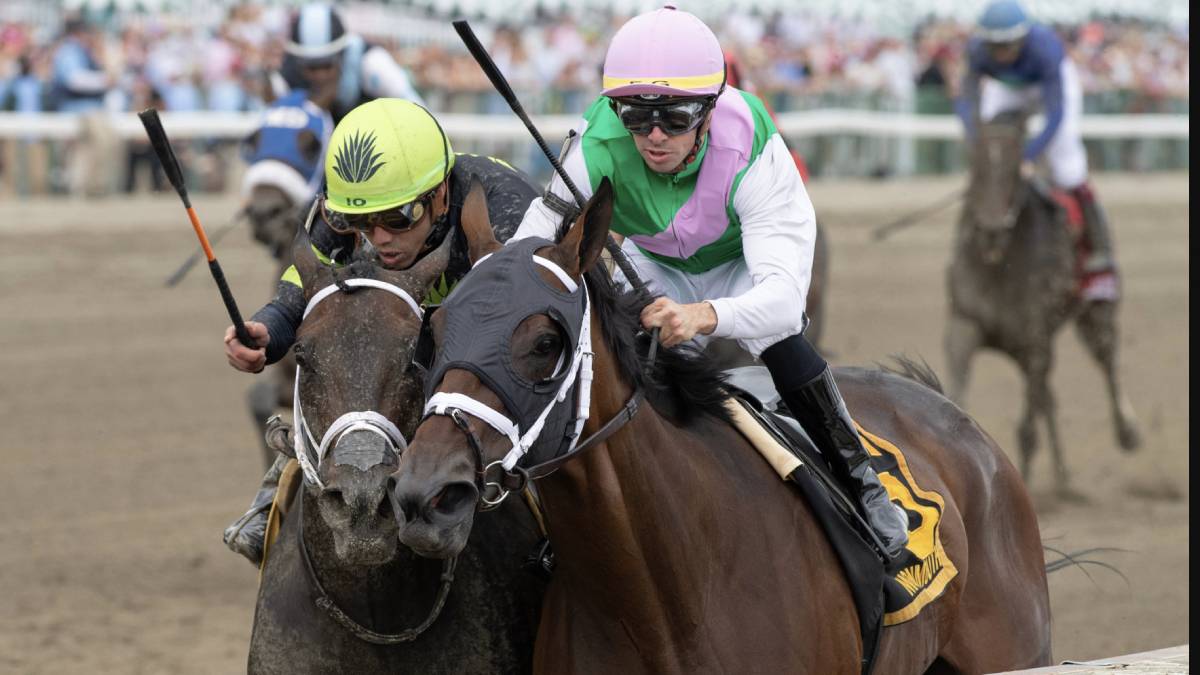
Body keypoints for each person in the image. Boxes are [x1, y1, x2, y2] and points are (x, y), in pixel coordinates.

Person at [511, 6, 908, 559]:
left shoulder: (750, 143)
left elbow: (782, 304)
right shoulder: (594, 144)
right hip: (658, 261)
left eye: (674, 118)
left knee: (778, 340)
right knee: (626, 361)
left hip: (745, 258)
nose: (652, 136)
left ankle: (861, 481)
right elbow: (527, 247)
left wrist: (703, 315)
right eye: (634, 115)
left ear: (708, 109)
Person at [221, 98, 540, 564]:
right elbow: (302, 283)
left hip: (504, 351)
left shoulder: (506, 210)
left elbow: (528, 335)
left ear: (440, 196)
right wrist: (268, 330)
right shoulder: (345, 205)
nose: (378, 238)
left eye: (397, 219)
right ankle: (280, 485)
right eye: (360, 223)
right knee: (341, 354)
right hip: (410, 345)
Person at [956, 0, 1117, 289]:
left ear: (1022, 38)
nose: (1001, 53)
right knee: (993, 157)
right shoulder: (977, 50)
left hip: (1050, 88)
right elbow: (967, 100)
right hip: (1007, 89)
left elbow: (1055, 115)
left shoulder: (1045, 48)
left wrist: (1027, 155)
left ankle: (1098, 252)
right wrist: (976, 140)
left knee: (1067, 167)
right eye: (995, 46)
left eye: (1008, 45)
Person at [272, 3, 425, 124]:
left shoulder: (372, 63)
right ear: (297, 60)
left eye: (326, 64)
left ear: (342, 54)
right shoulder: (285, 77)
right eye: (310, 66)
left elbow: (419, 113)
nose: (320, 75)